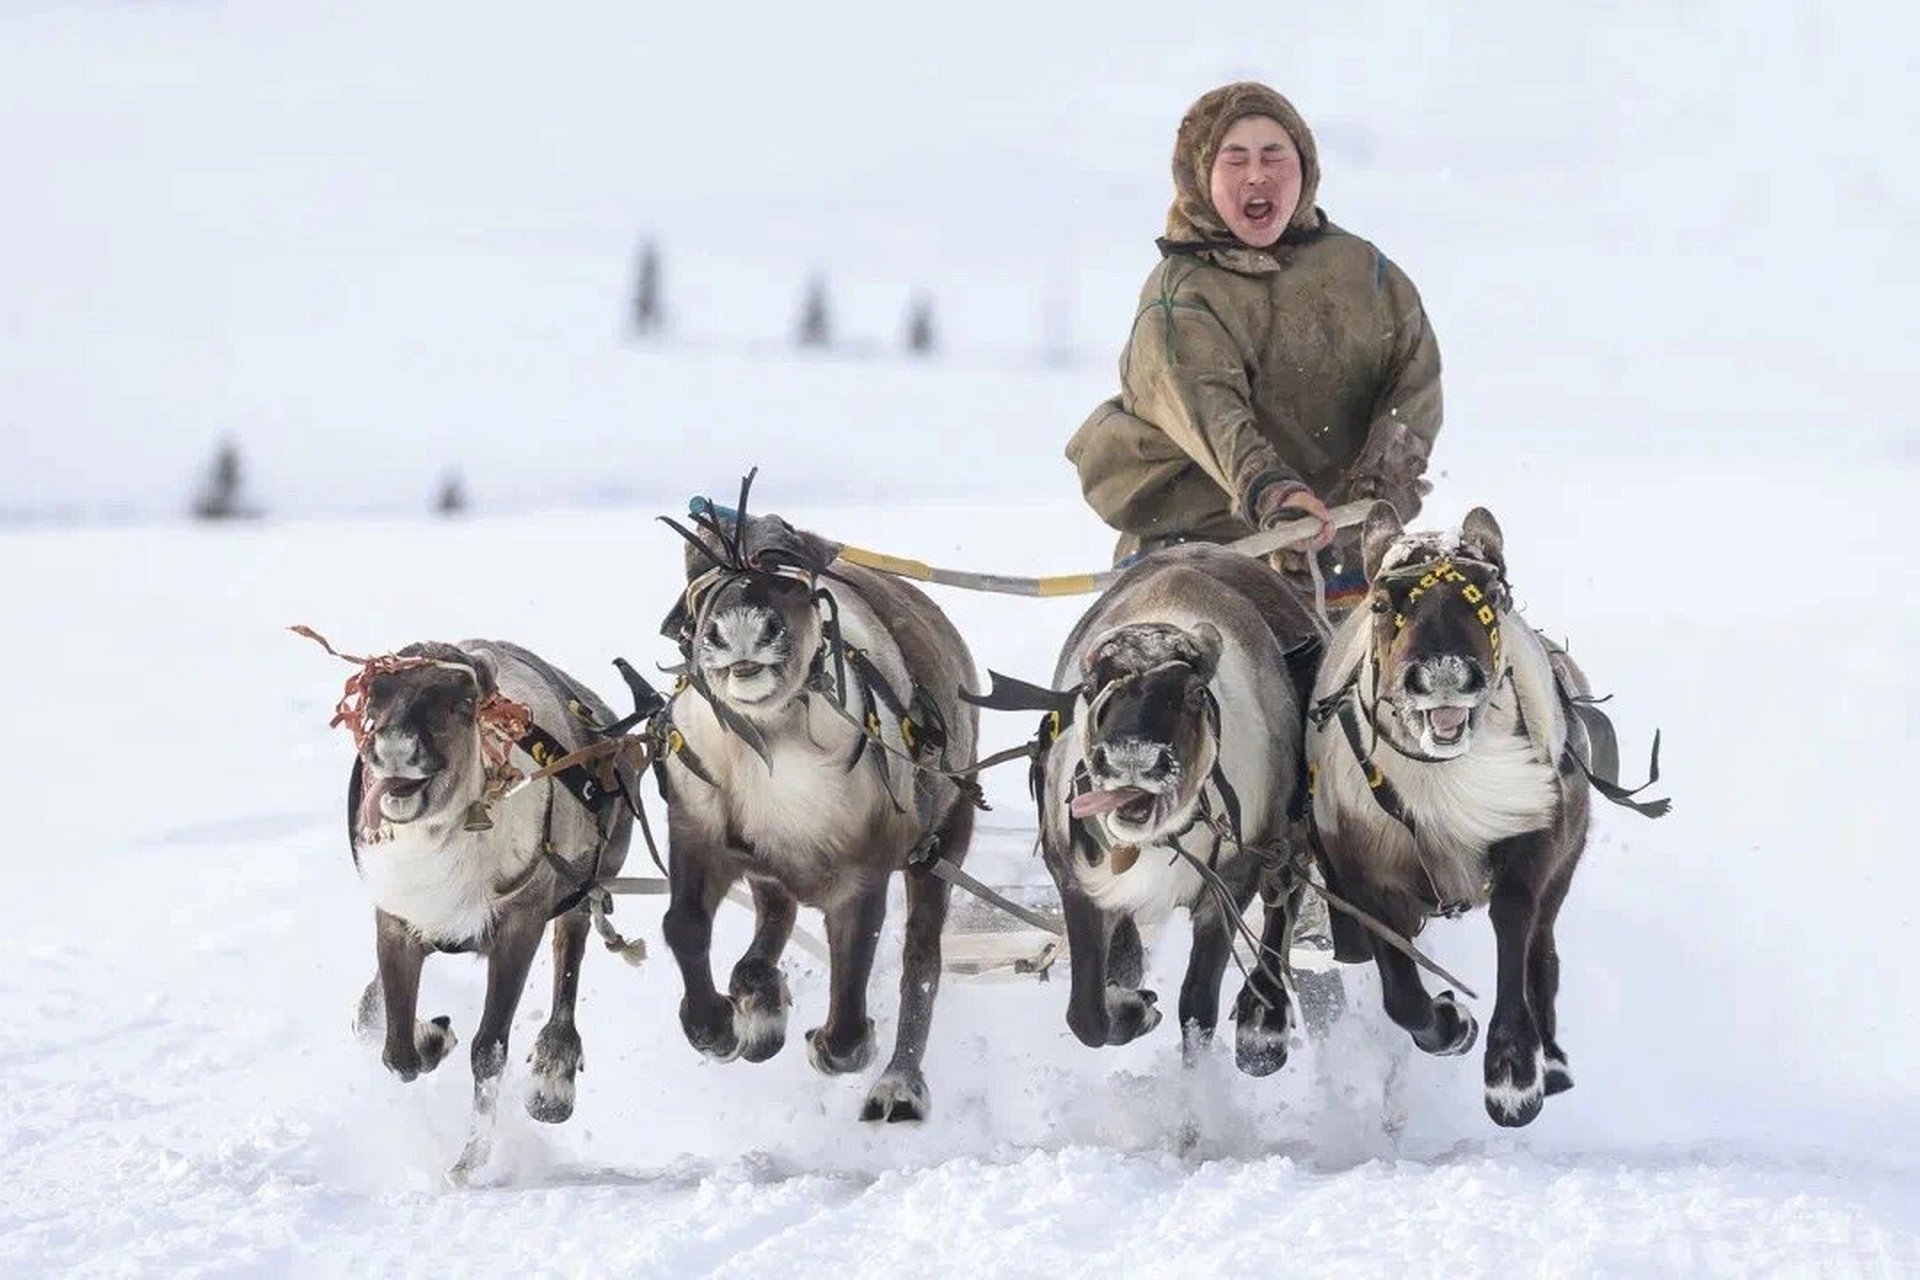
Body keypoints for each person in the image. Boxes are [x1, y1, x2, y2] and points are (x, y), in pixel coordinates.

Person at [1067, 82, 1441, 607]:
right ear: (1201, 175)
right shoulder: (1178, 295)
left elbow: (1413, 377)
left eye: (1274, 156)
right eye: (1235, 159)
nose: (1257, 175)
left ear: (1304, 167)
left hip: (1344, 552)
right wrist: (1274, 494)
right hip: (1201, 556)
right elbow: (1209, 409)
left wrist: (1384, 478)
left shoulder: (1366, 272)